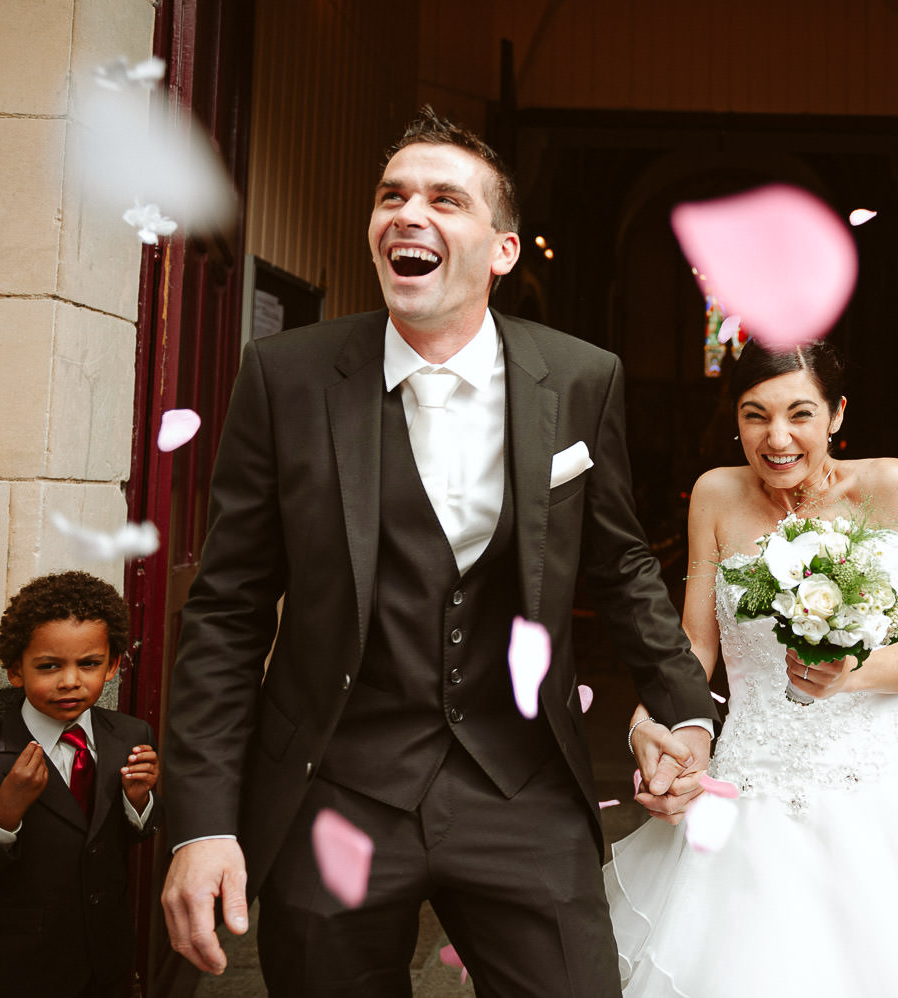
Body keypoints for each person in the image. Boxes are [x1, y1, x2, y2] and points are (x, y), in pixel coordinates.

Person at [159, 106, 719, 996]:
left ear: (503, 250)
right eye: (392, 196)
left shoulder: (582, 378)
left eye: (445, 200)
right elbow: (228, 612)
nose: (408, 214)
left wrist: (685, 710)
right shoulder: (286, 377)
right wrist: (201, 822)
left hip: (522, 785)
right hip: (337, 786)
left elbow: (620, 567)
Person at [609, 339, 898, 996]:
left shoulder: (893, 487)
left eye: (800, 414)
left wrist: (849, 674)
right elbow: (694, 648)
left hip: (872, 783)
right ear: (734, 419)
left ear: (837, 414)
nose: (777, 438)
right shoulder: (715, 493)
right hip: (748, 780)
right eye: (755, 415)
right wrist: (651, 723)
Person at [0, 571, 160, 998]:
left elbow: (113, 840)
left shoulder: (131, 736)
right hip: (17, 974)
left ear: (112, 665)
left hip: (106, 963)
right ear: (16, 671)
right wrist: (2, 817)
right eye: (49, 666)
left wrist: (138, 801)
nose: (70, 681)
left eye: (89, 664)